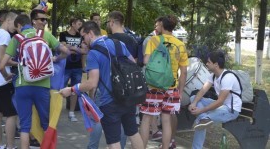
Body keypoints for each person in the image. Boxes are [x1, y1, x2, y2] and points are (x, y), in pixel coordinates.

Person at [59, 21, 144, 149]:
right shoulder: (119, 44)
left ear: (91, 33)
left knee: (113, 140)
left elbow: (92, 83)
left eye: (84, 36)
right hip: (128, 97)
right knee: (133, 133)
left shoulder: (93, 54)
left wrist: (71, 89)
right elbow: (133, 64)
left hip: (109, 101)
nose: (83, 40)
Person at [0, 14, 70, 149]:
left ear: (19, 25)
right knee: (46, 124)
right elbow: (66, 52)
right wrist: (54, 59)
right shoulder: (45, 35)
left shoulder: (17, 38)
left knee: (25, 126)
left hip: (22, 85)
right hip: (43, 86)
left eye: (17, 28)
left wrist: (7, 76)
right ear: (30, 23)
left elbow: (1, 65)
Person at [139, 16, 188, 149]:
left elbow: (145, 61)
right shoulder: (180, 45)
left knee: (146, 118)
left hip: (154, 86)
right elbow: (183, 72)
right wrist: (181, 90)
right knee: (166, 120)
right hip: (171, 86)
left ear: (162, 26)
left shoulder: (154, 40)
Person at [188, 50, 241, 149]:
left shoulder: (228, 78)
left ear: (216, 64)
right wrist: (194, 103)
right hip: (221, 106)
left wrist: (200, 111)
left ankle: (203, 119)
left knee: (200, 122)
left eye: (208, 62)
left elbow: (220, 101)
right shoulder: (213, 76)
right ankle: (204, 118)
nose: (206, 64)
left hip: (230, 110)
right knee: (193, 97)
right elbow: (203, 90)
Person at [0, 11, 18, 149]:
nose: (16, 27)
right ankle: (11, 146)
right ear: (8, 20)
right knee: (12, 114)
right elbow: (2, 61)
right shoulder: (5, 35)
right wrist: (18, 63)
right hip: (3, 80)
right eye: (15, 23)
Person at [59, 17, 84, 122]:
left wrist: (72, 48)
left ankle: (71, 112)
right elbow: (64, 47)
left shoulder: (81, 35)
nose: (80, 26)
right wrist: (77, 49)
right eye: (79, 24)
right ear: (73, 24)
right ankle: (56, 111)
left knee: (75, 90)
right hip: (65, 66)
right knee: (60, 88)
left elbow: (84, 51)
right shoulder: (63, 34)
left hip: (77, 67)